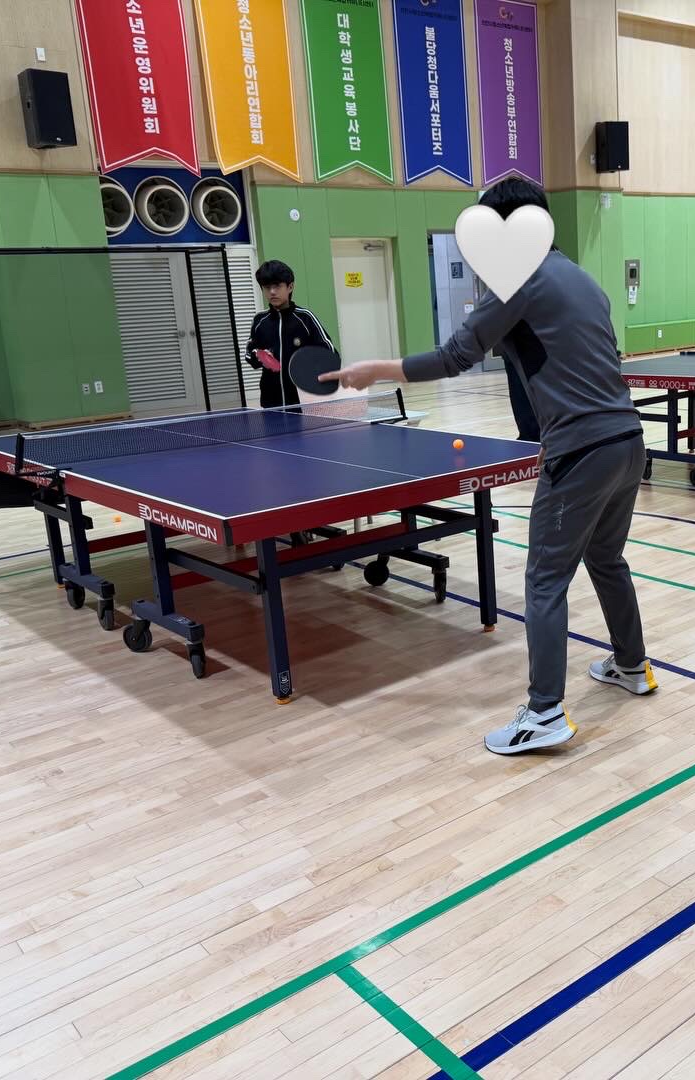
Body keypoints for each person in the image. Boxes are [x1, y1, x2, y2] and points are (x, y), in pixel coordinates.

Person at [324, 177, 656, 755]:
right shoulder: (581, 278)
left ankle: (544, 713)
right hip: (627, 441)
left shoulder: (519, 277)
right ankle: (632, 665)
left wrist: (375, 369)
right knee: (606, 559)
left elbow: (455, 356)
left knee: (545, 579)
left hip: (581, 450)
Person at [245, 260, 337, 408]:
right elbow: (249, 354)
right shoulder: (260, 320)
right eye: (267, 287)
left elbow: (330, 352)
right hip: (271, 403)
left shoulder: (305, 318)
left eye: (277, 286)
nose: (272, 292)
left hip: (303, 402)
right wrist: (259, 355)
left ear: (290, 287)